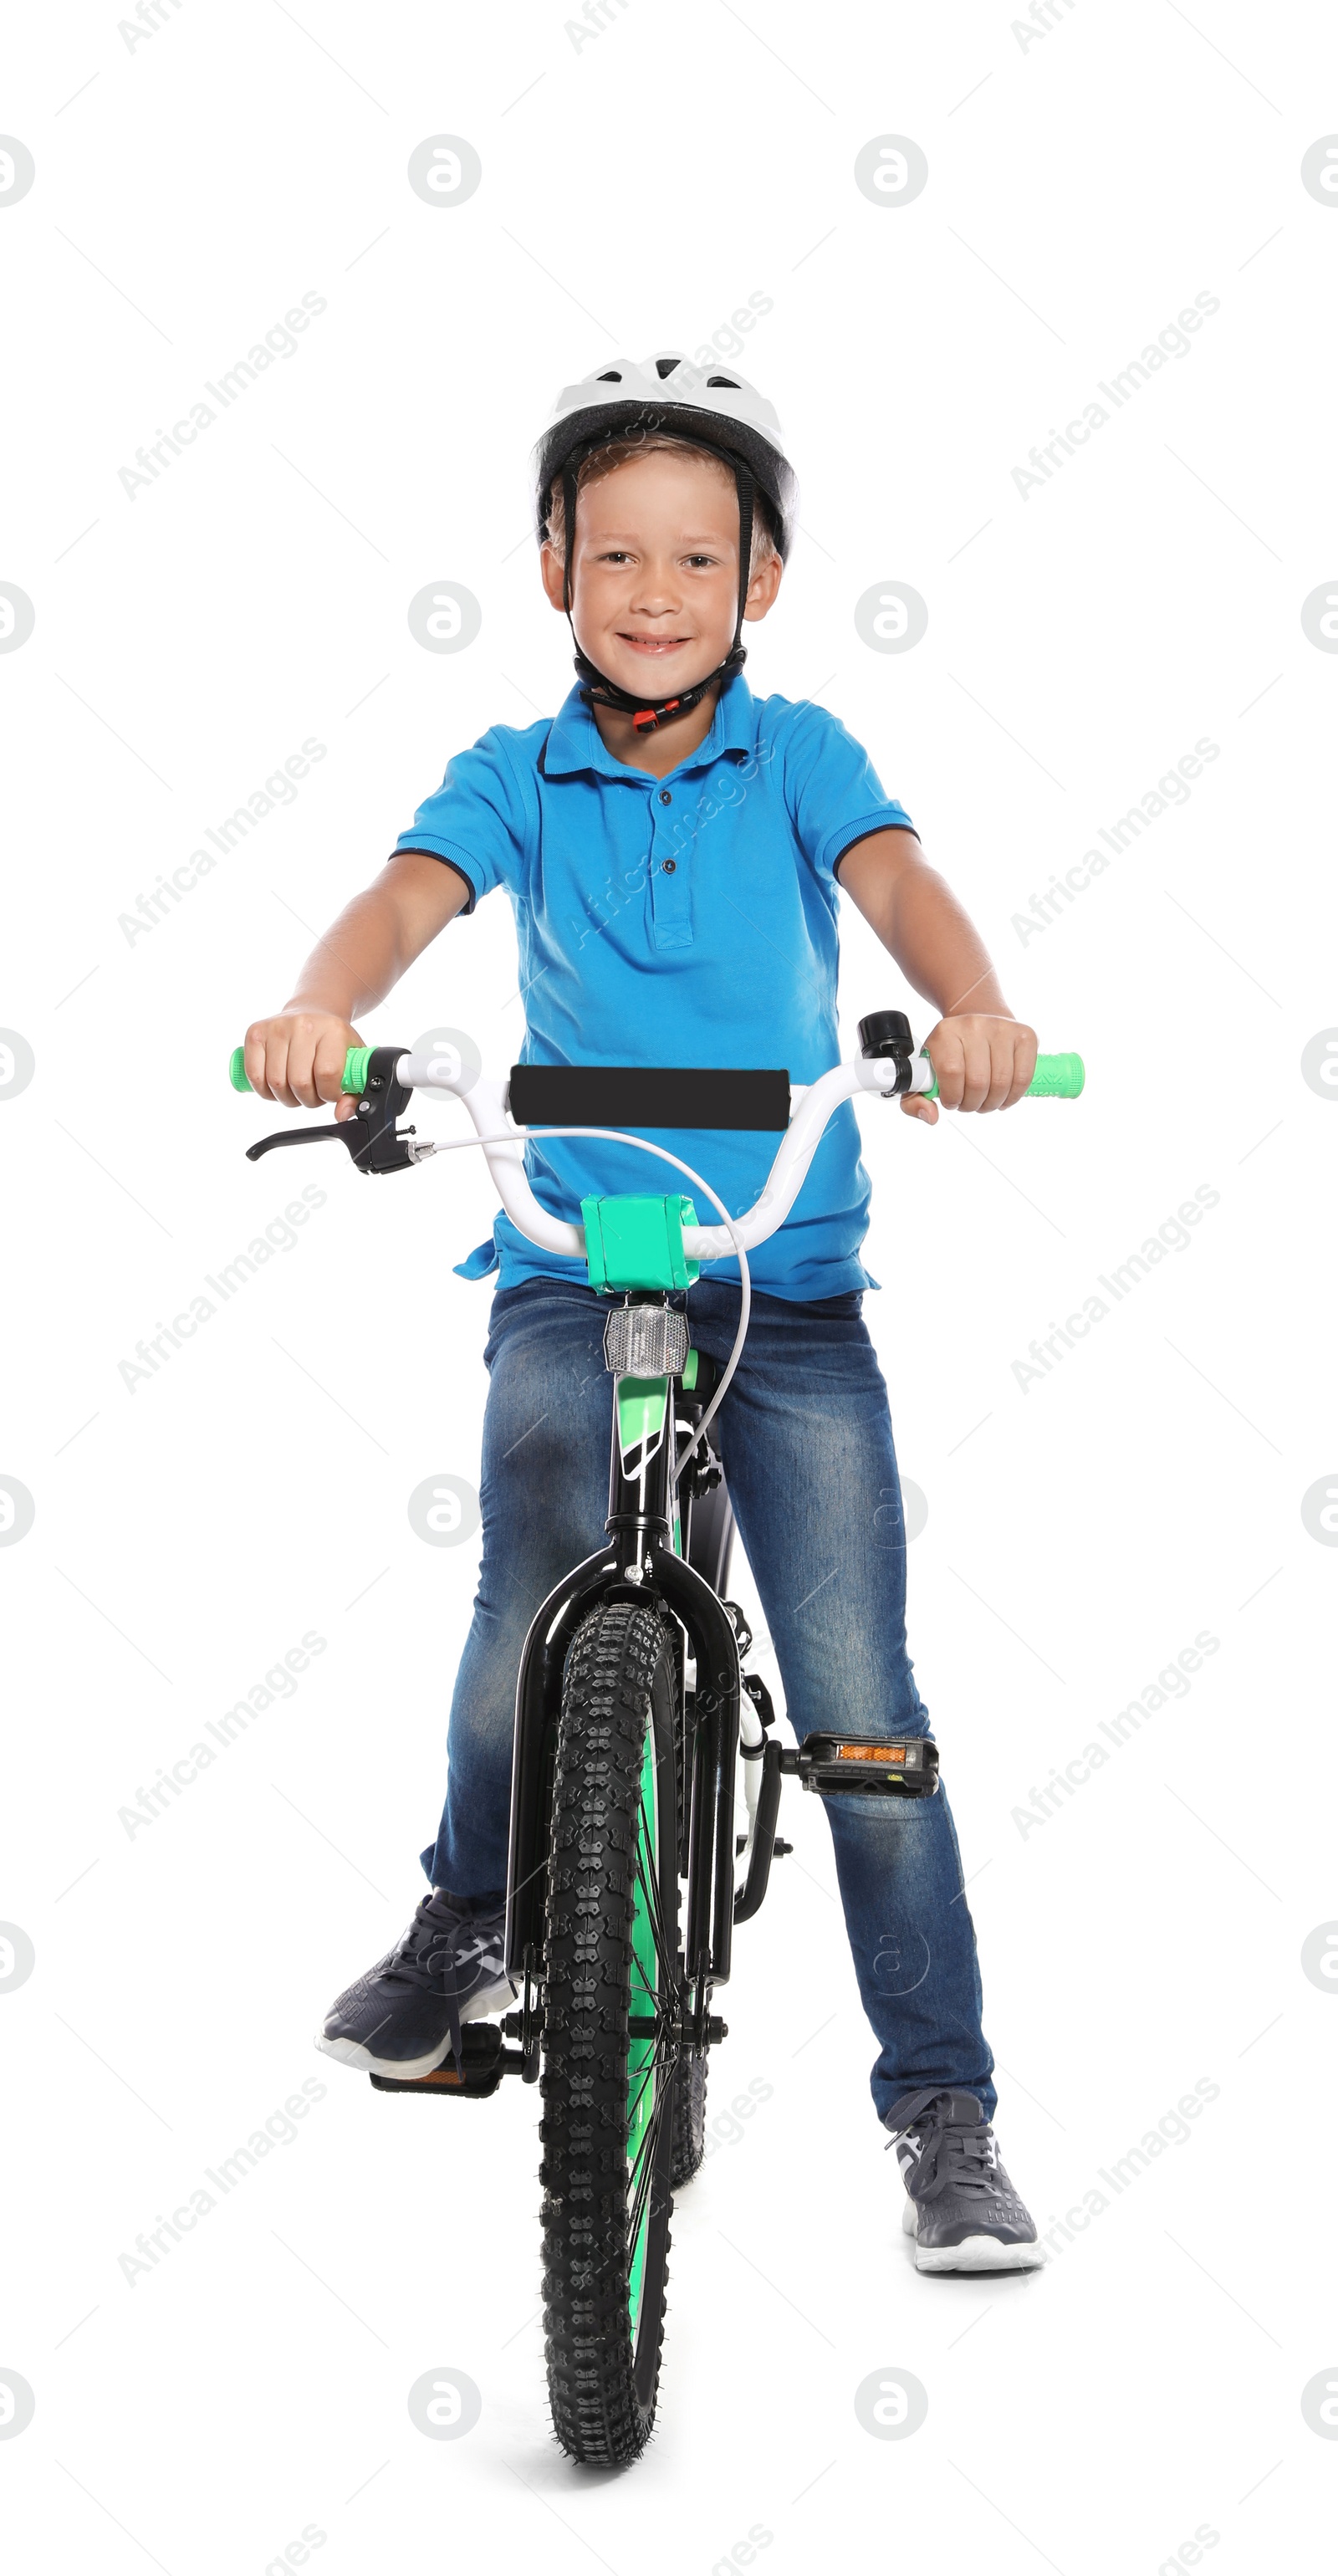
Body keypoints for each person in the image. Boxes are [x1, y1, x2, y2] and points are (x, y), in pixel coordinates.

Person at [241, 352, 1046, 2272]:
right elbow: (400, 901)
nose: (655, 592)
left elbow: (902, 886)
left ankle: (942, 2110)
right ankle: (473, 1917)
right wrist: (319, 1007)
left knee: (860, 1714)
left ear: (759, 578)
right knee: (530, 1593)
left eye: (698, 556)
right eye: (615, 556)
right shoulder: (517, 773)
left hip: (784, 1279)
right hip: (570, 1264)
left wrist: (970, 1008)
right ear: (551, 571)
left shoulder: (805, 757)